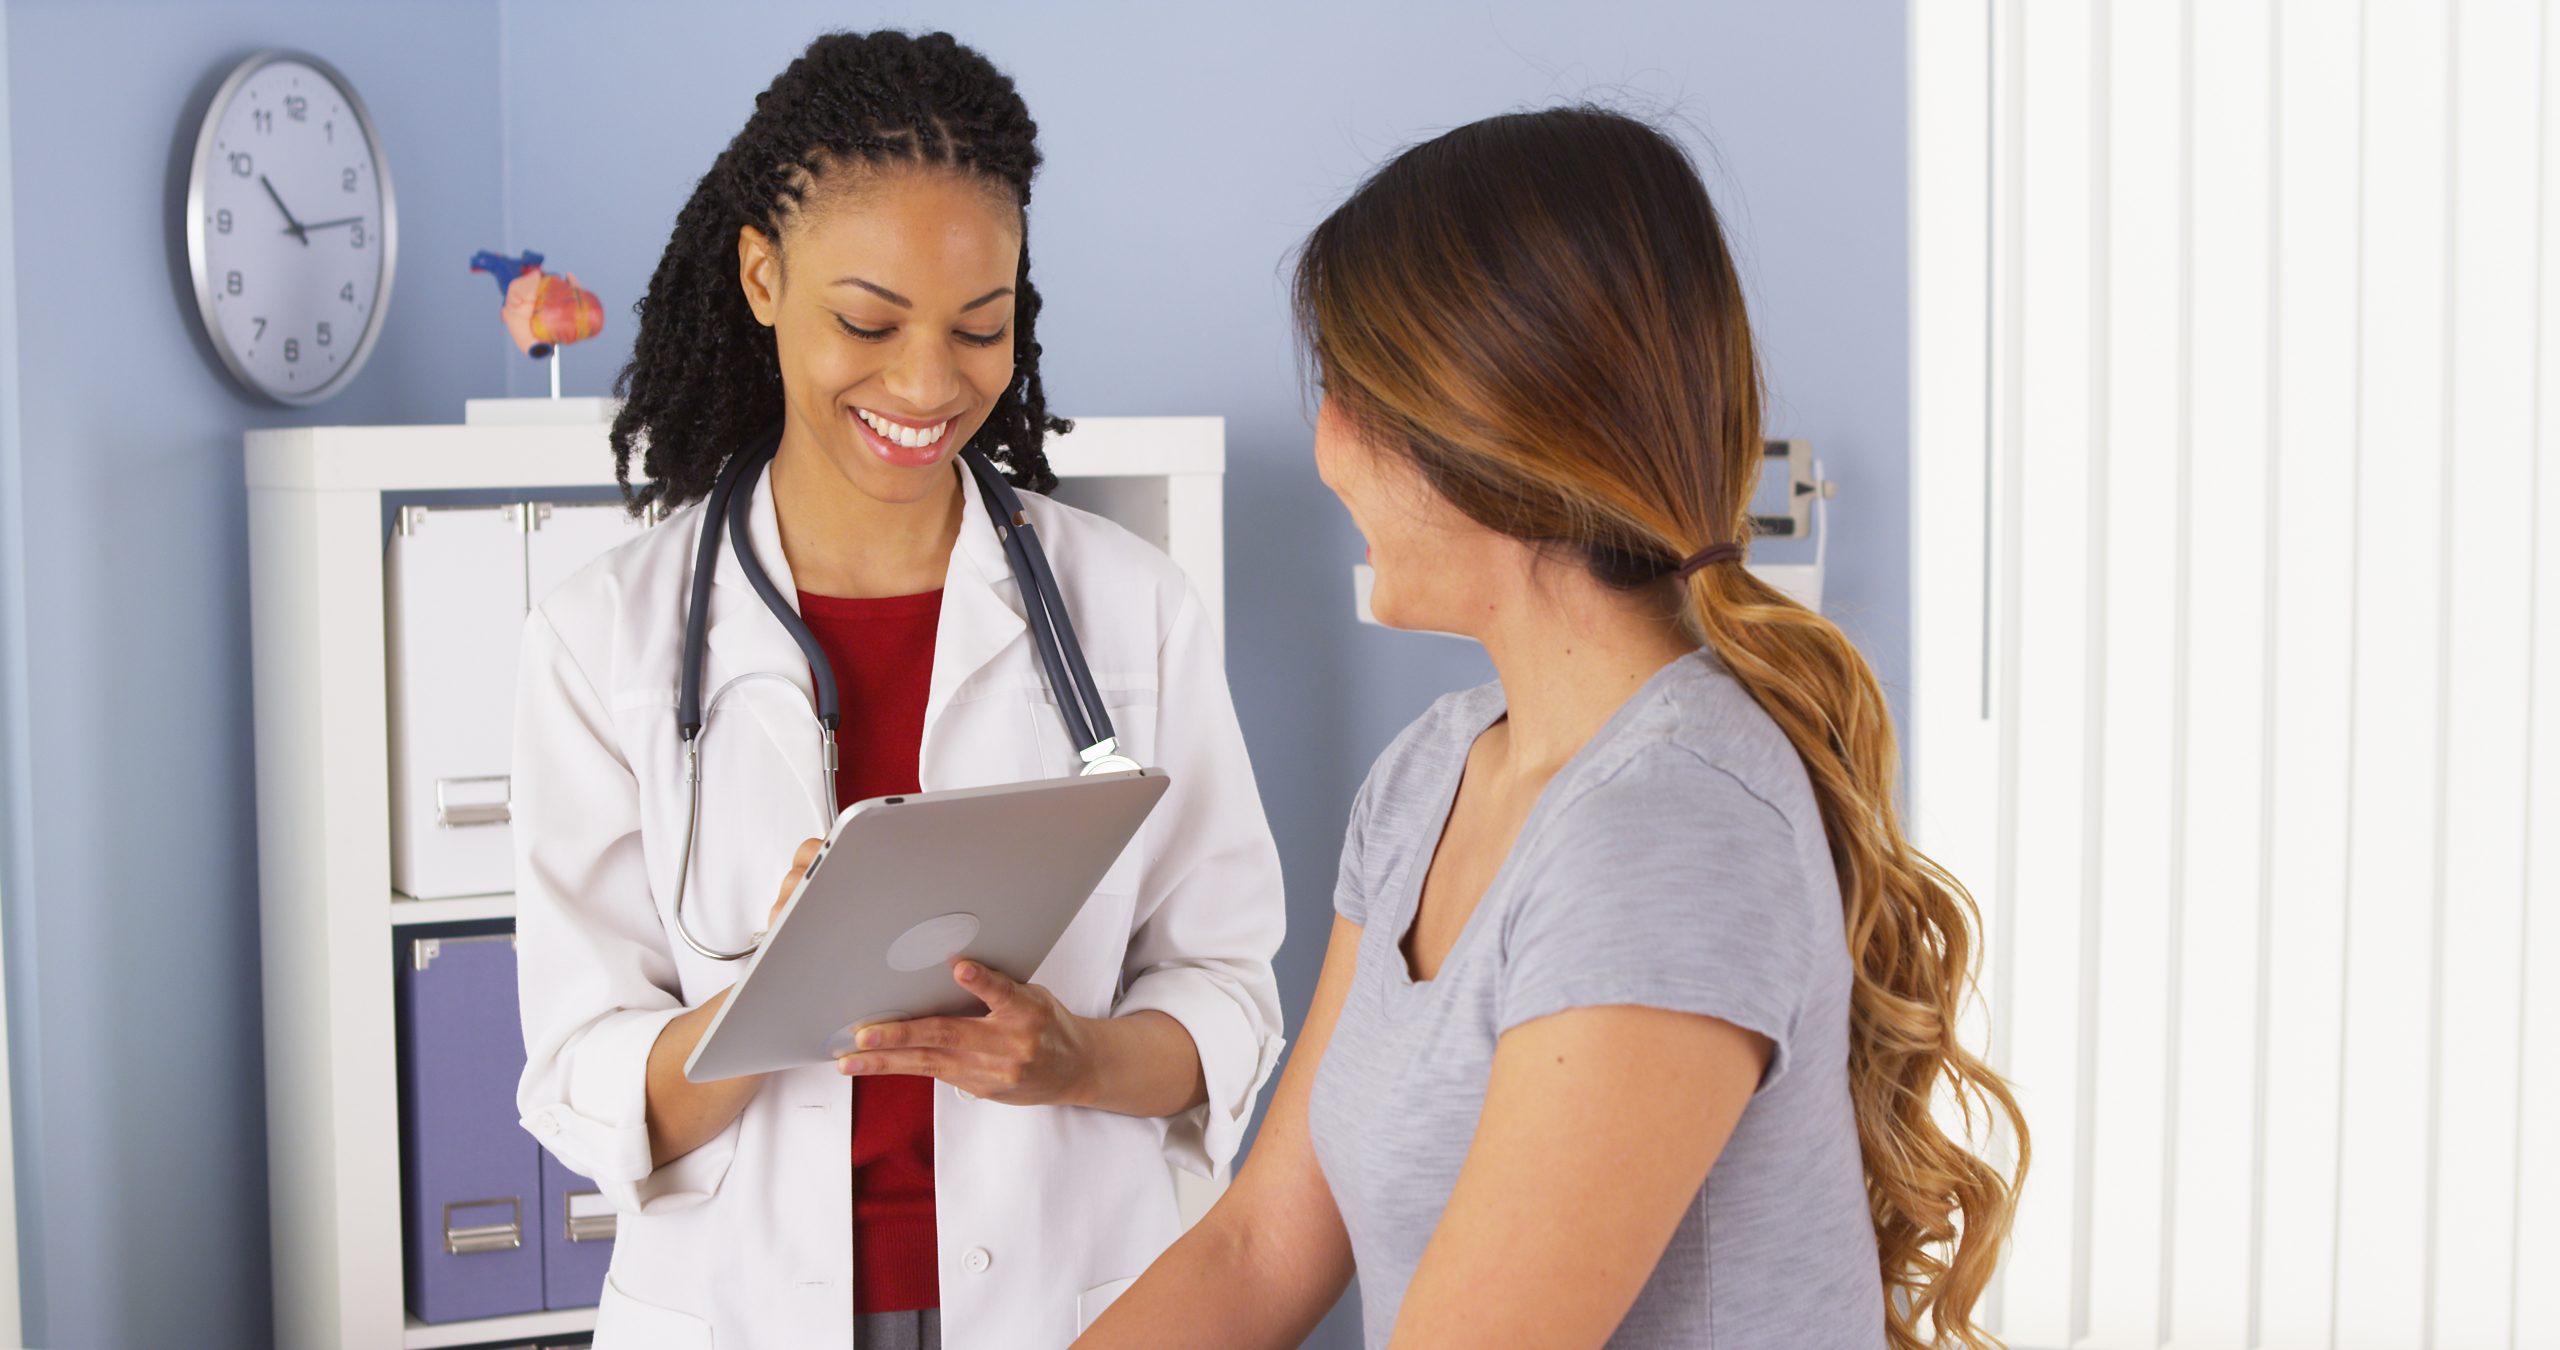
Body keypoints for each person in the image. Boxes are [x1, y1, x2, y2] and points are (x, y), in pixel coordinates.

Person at [1079, 106, 2028, 1349]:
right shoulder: (1432, 772)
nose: (1324, 449)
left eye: (1347, 397)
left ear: (1483, 431)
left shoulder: (1668, 829)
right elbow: (1257, 1250)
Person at [511, 31, 1285, 1350]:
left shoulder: (1131, 609)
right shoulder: (602, 637)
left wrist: (1077, 1057)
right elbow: (581, 1073)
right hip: (741, 1308)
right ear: (763, 277)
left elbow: (1225, 988)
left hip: (1068, 1296)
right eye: (868, 323)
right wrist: (776, 999)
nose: (929, 385)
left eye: (980, 327)